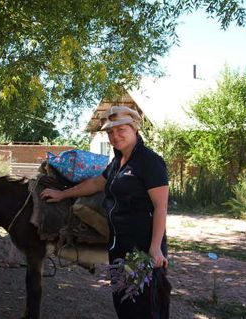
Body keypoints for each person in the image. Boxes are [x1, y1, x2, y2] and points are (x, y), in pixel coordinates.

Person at [41, 105, 170, 319]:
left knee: (144, 307)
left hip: (142, 248)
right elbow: (94, 183)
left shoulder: (150, 162)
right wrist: (63, 194)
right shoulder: (117, 163)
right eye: (110, 132)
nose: (115, 136)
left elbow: (161, 207)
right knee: (123, 302)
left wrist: (155, 248)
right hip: (118, 246)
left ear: (135, 129)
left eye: (121, 130)